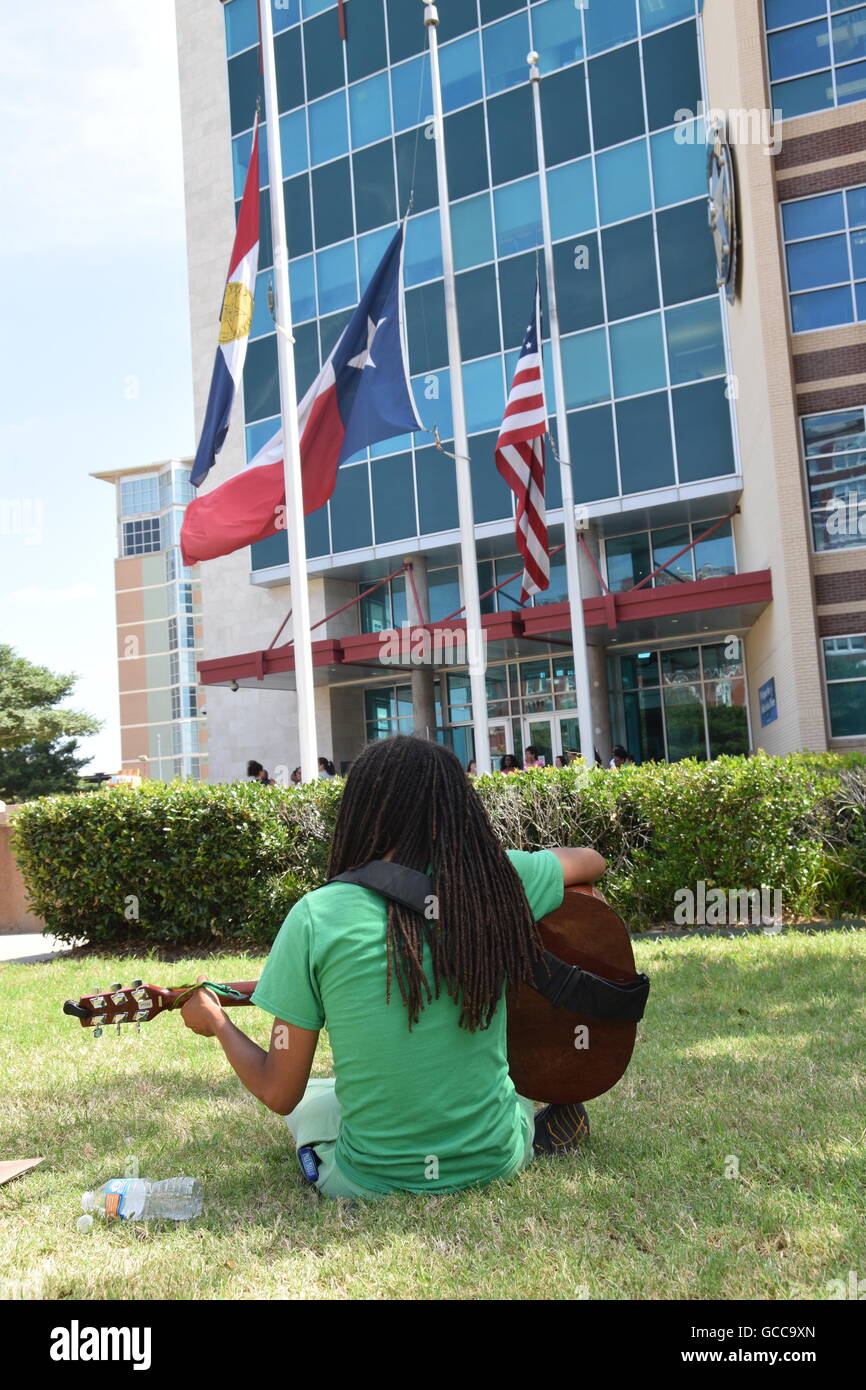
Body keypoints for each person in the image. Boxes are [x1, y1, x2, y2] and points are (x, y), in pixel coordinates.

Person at [181, 736, 607, 1200]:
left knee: (306, 1107)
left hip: (366, 1184)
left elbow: (278, 1091)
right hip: (499, 1158)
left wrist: (218, 1022)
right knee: (511, 1095)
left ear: (361, 810)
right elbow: (592, 861)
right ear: (458, 806)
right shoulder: (500, 879)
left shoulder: (316, 914)